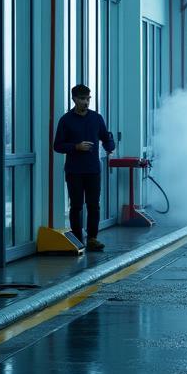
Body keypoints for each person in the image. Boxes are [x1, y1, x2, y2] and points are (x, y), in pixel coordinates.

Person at [53, 84, 116, 251]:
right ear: (74, 99)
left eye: (88, 99)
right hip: (74, 171)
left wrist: (110, 146)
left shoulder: (96, 118)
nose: (86, 102)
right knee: (76, 206)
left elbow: (106, 137)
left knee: (94, 204)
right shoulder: (66, 120)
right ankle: (77, 239)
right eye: (82, 99)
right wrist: (76, 147)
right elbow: (57, 146)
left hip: (93, 170)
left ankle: (93, 238)